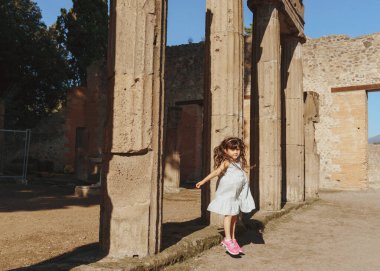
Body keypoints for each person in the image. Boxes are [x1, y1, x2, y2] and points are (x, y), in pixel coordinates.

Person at [196, 137, 255, 256]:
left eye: (238, 149)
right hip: (227, 194)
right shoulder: (227, 162)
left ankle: (233, 239)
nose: (236, 152)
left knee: (234, 217)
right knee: (228, 215)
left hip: (236, 195)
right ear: (226, 151)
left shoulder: (239, 162)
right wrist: (203, 181)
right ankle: (227, 239)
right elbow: (216, 172)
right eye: (233, 149)